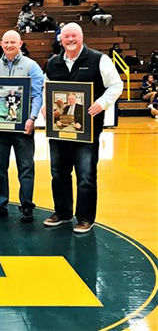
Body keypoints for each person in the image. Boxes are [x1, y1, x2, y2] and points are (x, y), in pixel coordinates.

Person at [43, 22, 123, 233]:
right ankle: (62, 212)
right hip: (59, 130)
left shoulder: (99, 59)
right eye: (66, 36)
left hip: (87, 131)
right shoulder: (53, 63)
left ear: (82, 37)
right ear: (61, 39)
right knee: (58, 173)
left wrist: (102, 103)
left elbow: (116, 85)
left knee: (86, 175)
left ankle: (86, 218)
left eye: (74, 36)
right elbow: (47, 89)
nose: (70, 40)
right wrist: (45, 105)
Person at [0, 30, 44, 223]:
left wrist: (32, 118)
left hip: (23, 128)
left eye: (13, 42)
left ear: (21, 43)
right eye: (6, 42)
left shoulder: (31, 67)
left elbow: (37, 95)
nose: (9, 45)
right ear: (1, 43)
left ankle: (27, 206)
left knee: (26, 167)